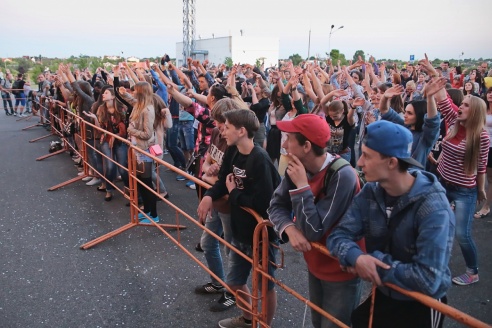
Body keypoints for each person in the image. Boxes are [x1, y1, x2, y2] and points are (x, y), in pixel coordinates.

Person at [327, 120, 455, 328]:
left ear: (392, 163)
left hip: (420, 305)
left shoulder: (434, 208)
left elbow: (428, 279)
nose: (359, 162)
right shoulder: (371, 192)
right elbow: (338, 236)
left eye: (367, 155)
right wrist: (356, 257)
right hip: (385, 293)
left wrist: (371, 262)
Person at [268, 114, 362, 328]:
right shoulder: (299, 166)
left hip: (341, 269)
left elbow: (313, 231)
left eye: (289, 138)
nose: (284, 144)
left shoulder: (342, 175)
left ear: (307, 146)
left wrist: (302, 188)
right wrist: (290, 228)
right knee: (318, 322)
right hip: (316, 261)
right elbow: (275, 205)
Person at [197, 109, 280, 328]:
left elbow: (265, 203)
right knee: (234, 282)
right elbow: (223, 179)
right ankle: (249, 319)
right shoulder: (233, 151)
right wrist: (208, 196)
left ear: (241, 131)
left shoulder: (260, 160)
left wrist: (233, 194)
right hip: (240, 230)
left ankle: (264, 325)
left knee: (265, 286)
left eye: (227, 127)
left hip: (261, 234)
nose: (222, 131)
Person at [426, 77, 489, 286]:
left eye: (466, 105)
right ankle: (431, 262)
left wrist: (481, 190)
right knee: (434, 222)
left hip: (464, 190)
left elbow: (481, 167)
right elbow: (444, 98)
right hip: (442, 183)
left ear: (475, 112)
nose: (460, 106)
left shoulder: (481, 136)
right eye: (461, 103)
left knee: (462, 234)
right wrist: (432, 73)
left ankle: (473, 272)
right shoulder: (455, 120)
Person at [194, 98, 236, 312]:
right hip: (216, 200)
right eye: (217, 122)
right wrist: (210, 169)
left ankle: (233, 293)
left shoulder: (235, 142)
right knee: (208, 243)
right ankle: (218, 283)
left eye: (221, 122)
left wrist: (210, 177)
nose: (218, 126)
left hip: (228, 205)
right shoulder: (219, 135)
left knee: (232, 252)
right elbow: (206, 162)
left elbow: (228, 185)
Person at [122, 81, 159, 224]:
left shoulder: (147, 110)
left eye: (135, 91)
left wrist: (131, 130)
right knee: (141, 183)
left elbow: (147, 134)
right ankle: (148, 211)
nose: (132, 93)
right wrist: (122, 92)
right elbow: (130, 100)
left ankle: (154, 215)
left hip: (144, 150)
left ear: (141, 93)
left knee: (146, 183)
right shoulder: (139, 105)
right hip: (137, 149)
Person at [475, 87, 492, 218]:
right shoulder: (482, 108)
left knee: (490, 179)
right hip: (477, 145)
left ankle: (486, 206)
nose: (491, 94)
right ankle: (464, 200)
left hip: (491, 147)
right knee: (473, 174)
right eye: (490, 92)